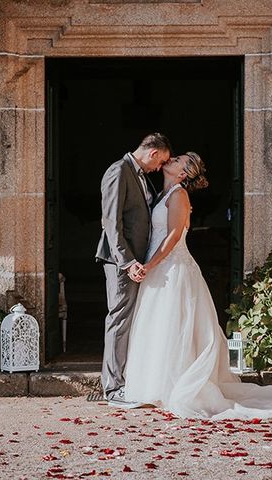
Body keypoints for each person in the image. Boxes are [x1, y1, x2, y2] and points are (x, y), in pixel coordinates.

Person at [124, 152, 272, 419]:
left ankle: (176, 386)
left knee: (175, 326)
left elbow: (173, 236)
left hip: (172, 269)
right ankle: (157, 385)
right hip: (160, 269)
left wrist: (149, 265)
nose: (171, 160)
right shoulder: (164, 194)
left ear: (183, 174)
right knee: (160, 325)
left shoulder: (179, 195)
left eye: (177, 161)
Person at [95, 133, 172, 408]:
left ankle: (125, 380)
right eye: (161, 162)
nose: (160, 168)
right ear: (153, 154)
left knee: (129, 320)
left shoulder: (139, 174)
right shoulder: (119, 171)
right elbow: (111, 222)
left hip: (136, 262)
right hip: (121, 263)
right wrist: (126, 262)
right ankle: (113, 388)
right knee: (119, 320)